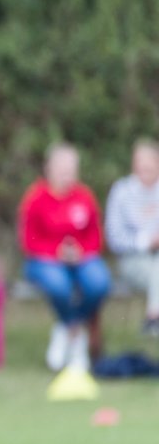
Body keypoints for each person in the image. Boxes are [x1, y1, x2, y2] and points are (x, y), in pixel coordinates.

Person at [18, 144, 111, 371]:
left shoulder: (84, 196)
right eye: (62, 169)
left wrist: (79, 251)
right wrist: (56, 252)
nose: (66, 175)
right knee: (58, 285)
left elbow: (96, 237)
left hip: (81, 258)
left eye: (71, 169)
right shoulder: (35, 197)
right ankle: (73, 331)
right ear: (48, 168)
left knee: (100, 282)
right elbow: (28, 241)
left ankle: (68, 326)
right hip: (44, 260)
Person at [104, 140, 159, 335]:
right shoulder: (122, 192)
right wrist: (146, 242)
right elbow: (114, 238)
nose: (144, 170)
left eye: (149, 166)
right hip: (132, 261)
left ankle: (153, 318)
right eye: (140, 166)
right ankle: (154, 319)